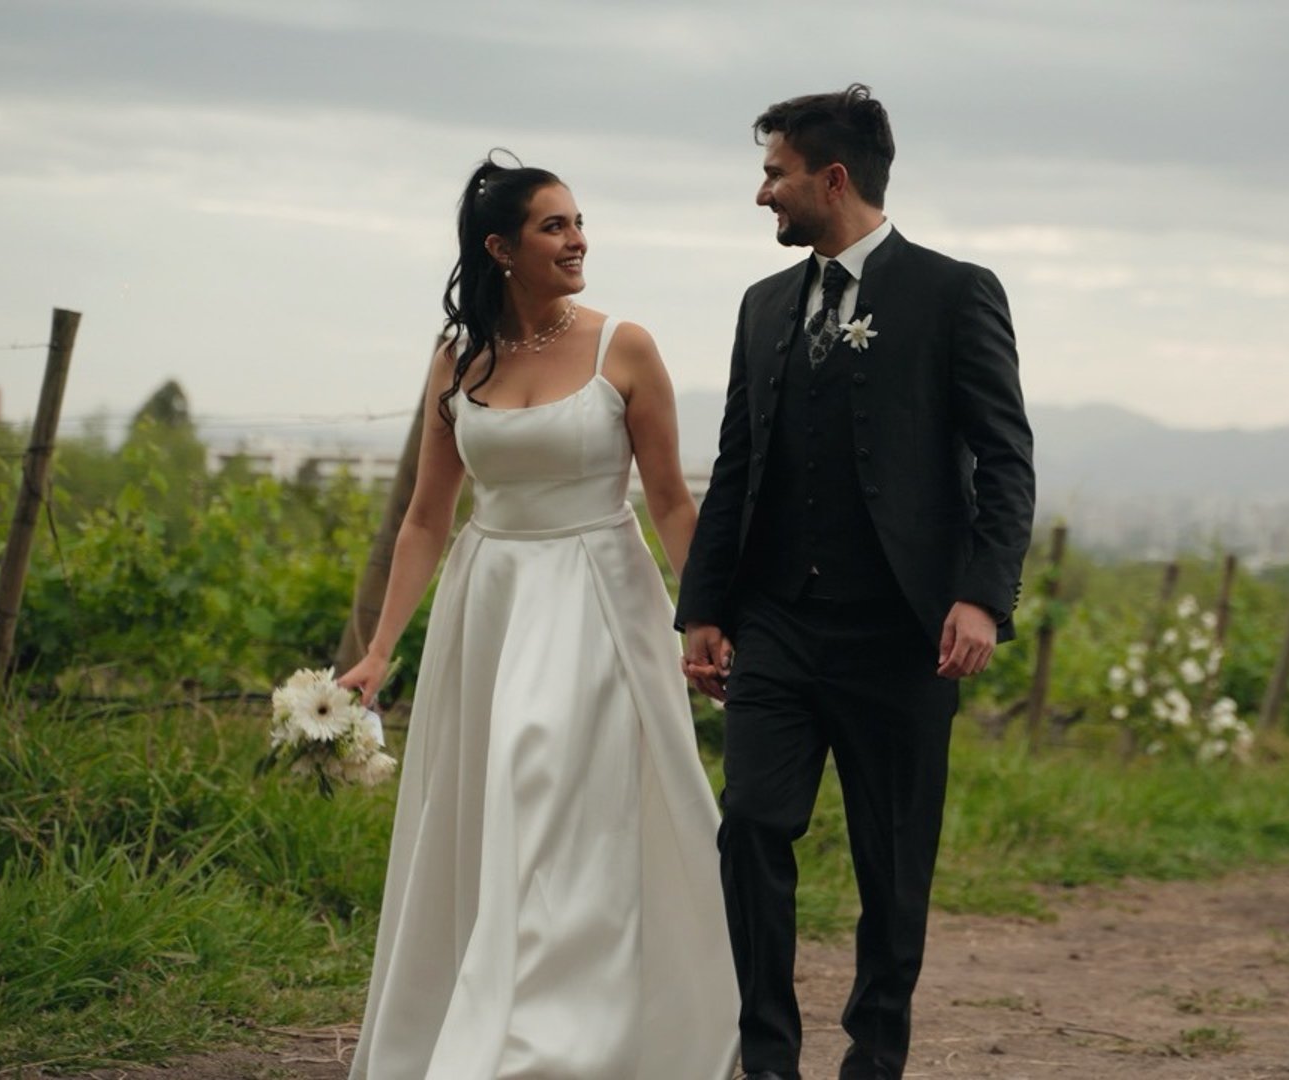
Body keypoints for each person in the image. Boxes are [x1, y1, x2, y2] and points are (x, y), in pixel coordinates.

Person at [338, 155, 739, 1080]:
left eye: (579, 222)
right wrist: (380, 650)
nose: (578, 240)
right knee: (496, 803)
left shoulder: (623, 348)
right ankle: (494, 1012)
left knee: (551, 783)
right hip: (492, 601)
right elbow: (426, 518)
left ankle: (559, 1043)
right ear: (500, 249)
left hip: (600, 597)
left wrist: (708, 618)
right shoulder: (458, 359)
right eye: (554, 226)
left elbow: (671, 501)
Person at [677, 86, 1036, 1080]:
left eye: (775, 174)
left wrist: (982, 595)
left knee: (892, 865)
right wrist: (704, 608)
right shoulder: (763, 306)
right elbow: (738, 465)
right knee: (752, 823)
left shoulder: (955, 292)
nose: (763, 194)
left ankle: (874, 1061)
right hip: (778, 626)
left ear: (832, 179)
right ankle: (768, 1060)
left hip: (902, 635)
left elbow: (1005, 458)